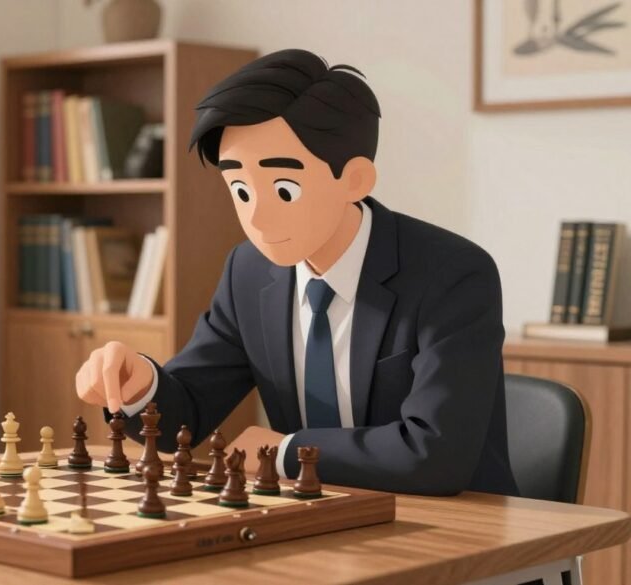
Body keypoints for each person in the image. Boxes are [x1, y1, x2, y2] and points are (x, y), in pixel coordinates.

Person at [74, 49, 517, 496]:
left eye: (284, 190)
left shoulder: (453, 275)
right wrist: (140, 386)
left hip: (456, 522)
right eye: (241, 190)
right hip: (313, 511)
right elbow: (186, 414)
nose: (257, 218)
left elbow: (435, 455)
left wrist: (287, 452)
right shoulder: (248, 272)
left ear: (355, 179)